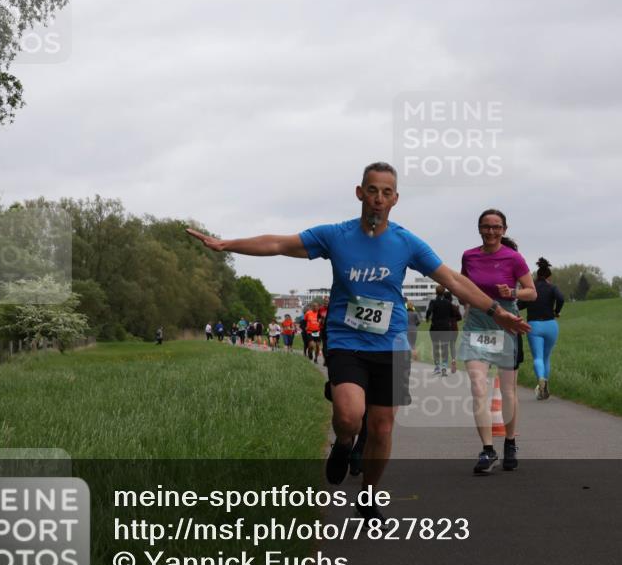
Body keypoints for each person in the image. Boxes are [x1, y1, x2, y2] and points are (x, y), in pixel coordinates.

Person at [186, 162, 528, 521]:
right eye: (372, 190)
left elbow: (454, 281)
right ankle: (345, 443)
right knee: (349, 417)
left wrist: (495, 310)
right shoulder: (335, 236)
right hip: (347, 338)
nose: (378, 199)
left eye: (386, 192)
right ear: (360, 193)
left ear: (395, 199)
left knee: (382, 428)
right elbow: (278, 242)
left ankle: (368, 494)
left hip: (392, 343)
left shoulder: (406, 242)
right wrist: (227, 245)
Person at [458, 209, 536, 475]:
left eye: (496, 227)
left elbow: (532, 292)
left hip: (506, 325)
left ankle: (510, 444)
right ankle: (488, 449)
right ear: (479, 228)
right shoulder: (469, 256)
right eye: (486, 226)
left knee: (507, 391)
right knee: (478, 388)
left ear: (504, 229)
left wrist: (512, 292)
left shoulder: (513, 258)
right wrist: (463, 298)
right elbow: (463, 285)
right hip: (476, 325)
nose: (491, 231)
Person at [519, 258, 565, 400]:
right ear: (549, 276)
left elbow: (520, 305)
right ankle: (545, 386)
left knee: (538, 357)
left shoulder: (530, 290)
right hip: (551, 325)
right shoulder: (552, 288)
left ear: (536, 276)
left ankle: (541, 381)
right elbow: (561, 298)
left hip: (534, 326)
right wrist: (556, 311)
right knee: (546, 357)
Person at [426, 285, 455, 376]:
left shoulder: (433, 302)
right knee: (445, 347)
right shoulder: (448, 302)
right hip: (446, 327)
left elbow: (429, 311)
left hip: (435, 327)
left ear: (436, 292)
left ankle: (437, 367)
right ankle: (444, 367)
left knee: (436, 347)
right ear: (443, 292)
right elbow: (452, 313)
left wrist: (427, 318)